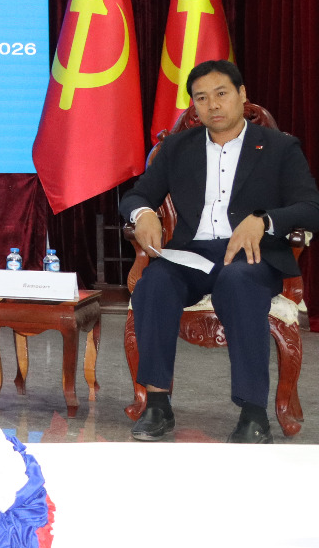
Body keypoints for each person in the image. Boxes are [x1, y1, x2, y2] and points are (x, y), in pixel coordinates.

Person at [122, 59, 319, 443]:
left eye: (221, 93)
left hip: (252, 256)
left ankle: (253, 414)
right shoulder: (177, 147)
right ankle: (157, 406)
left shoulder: (279, 147)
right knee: (154, 283)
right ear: (194, 106)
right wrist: (143, 213)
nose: (212, 104)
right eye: (201, 98)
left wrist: (264, 220)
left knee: (239, 282)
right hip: (191, 255)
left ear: (242, 95)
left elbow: (311, 208)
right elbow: (137, 194)